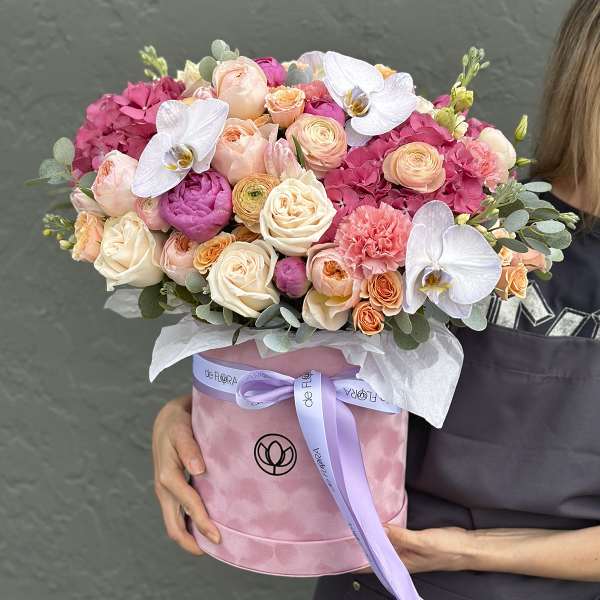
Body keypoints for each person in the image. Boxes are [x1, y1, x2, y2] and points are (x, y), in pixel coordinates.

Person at [152, 1, 600, 597]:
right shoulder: (471, 213)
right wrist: (196, 414)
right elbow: (333, 375)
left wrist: (460, 551)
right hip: (374, 575)